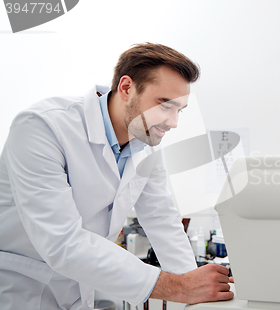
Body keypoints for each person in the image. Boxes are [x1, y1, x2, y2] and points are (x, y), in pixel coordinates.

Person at [0, 43, 233, 310]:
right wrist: (178, 287)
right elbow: (61, 242)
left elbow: (162, 220)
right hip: (22, 289)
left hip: (80, 288)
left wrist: (197, 289)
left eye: (179, 110)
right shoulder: (41, 127)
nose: (173, 122)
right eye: (165, 105)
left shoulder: (144, 146)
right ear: (126, 88)